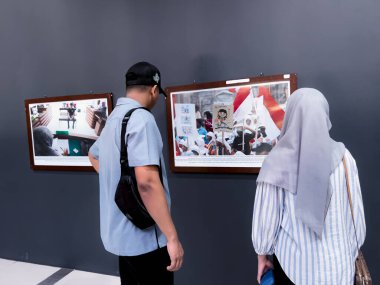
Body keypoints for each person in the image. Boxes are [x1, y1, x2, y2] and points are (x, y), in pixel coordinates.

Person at [251, 88, 366, 284]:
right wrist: (350, 252)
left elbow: (266, 221)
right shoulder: (345, 158)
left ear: (291, 116)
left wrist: (262, 256)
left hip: (294, 269)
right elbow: (356, 217)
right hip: (340, 269)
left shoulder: (277, 162)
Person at [88, 62, 184, 285]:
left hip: (123, 238)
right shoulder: (142, 119)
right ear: (153, 89)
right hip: (146, 240)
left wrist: (115, 178)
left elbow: (93, 155)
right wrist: (172, 238)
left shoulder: (113, 119)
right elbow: (147, 182)